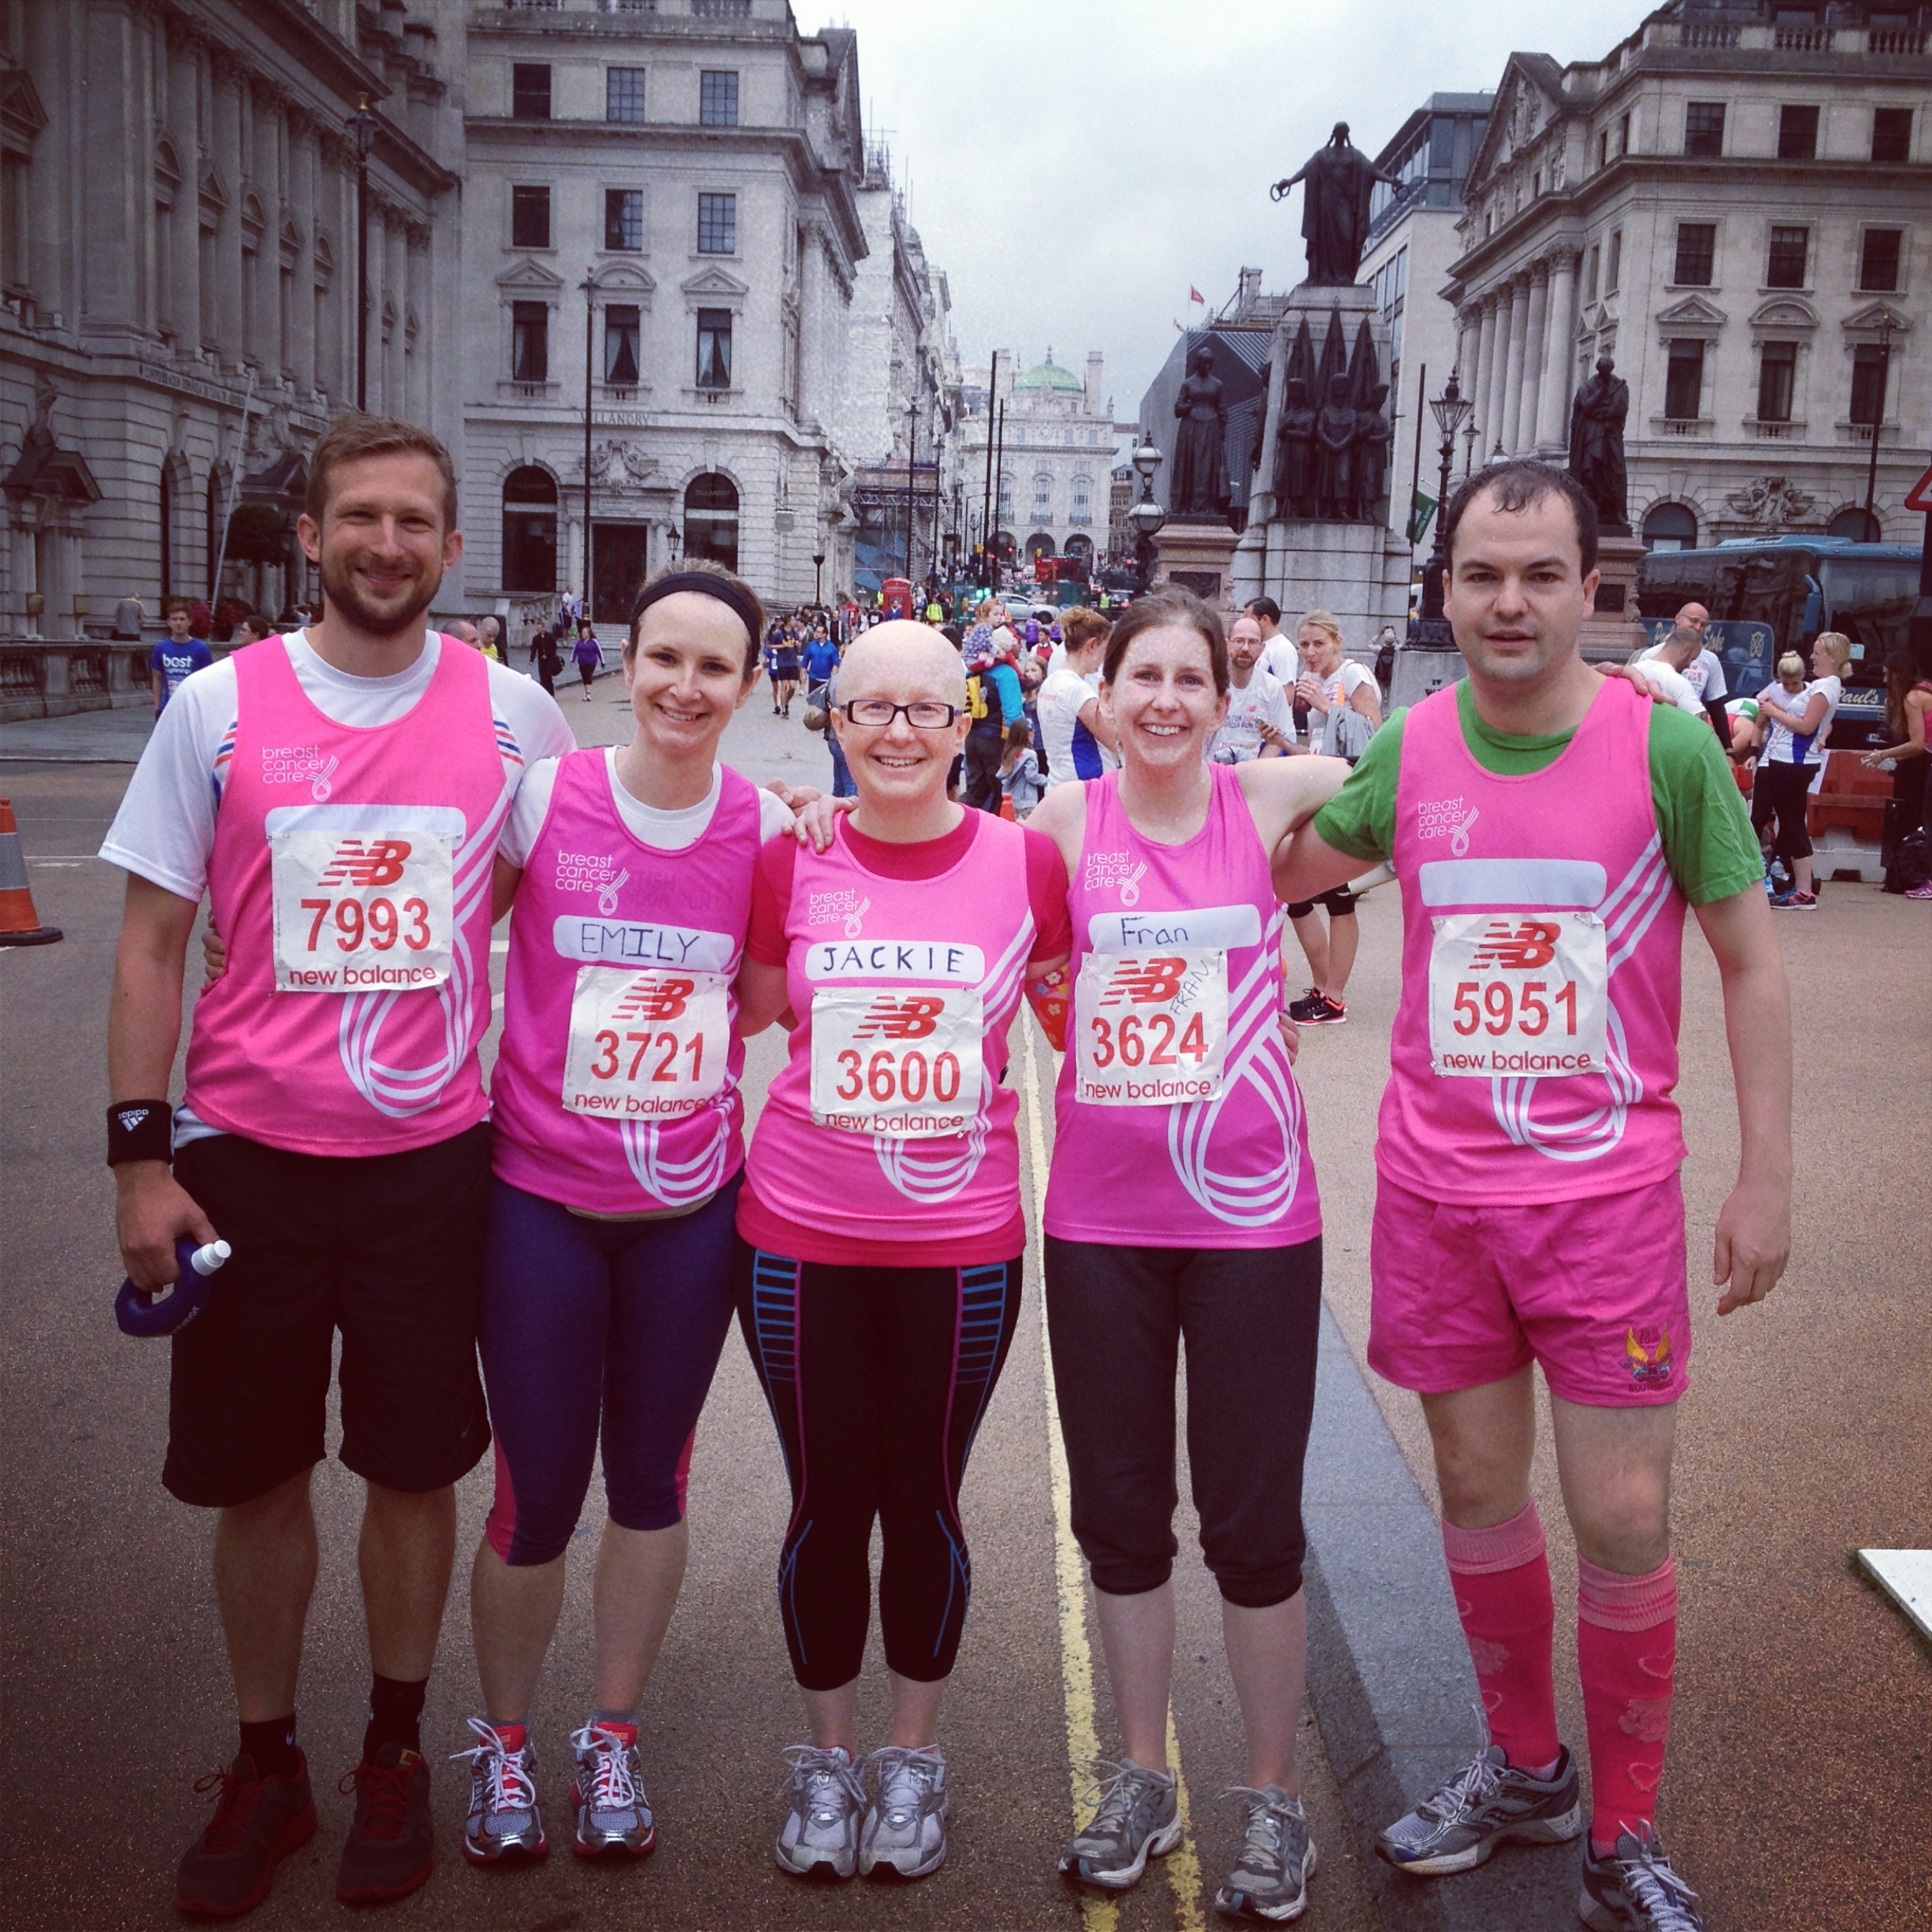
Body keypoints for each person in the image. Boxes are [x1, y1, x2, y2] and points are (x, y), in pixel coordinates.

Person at [1274, 459, 1789, 1932]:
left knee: (1620, 1511)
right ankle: (1524, 1768)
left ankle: (1623, 1836)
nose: (1511, 602)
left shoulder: (1664, 747)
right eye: (1483, 575)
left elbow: (1750, 962)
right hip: (1439, 1196)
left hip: (1604, 1201)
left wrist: (1765, 1173)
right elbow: (1280, 870)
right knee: (1476, 1490)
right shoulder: (1414, 745)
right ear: (1444, 591)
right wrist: (1245, 781)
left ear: (1589, 590)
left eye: (1540, 575)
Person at [101, 413, 575, 1917]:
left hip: (431, 1159)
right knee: (255, 1475)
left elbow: (535, 887)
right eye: (358, 516)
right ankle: (267, 1760)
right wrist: (139, 1164)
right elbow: (153, 940)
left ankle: (392, 1749)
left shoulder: (515, 715)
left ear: (450, 545)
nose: (385, 543)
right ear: (310, 535)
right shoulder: (218, 706)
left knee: (412, 1466)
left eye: (412, 521)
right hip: (245, 1156)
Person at [456, 561, 837, 1869]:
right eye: (663, 657)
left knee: (650, 1484)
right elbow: (448, 940)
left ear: (748, 683)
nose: (684, 685)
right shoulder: (544, 795)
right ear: (625, 664)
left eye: (713, 666)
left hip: (687, 1210)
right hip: (539, 1203)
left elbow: (762, 1005)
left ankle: (609, 1736)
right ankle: (506, 1743)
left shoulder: (766, 831)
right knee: (533, 1492)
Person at [730, 621, 1073, 1882]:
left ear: (965, 721)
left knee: (923, 1499)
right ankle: (827, 1761)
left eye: (925, 709)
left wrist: (1250, 1014)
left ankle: (911, 1760)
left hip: (960, 1248)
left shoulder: (1026, 863)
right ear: (834, 722)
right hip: (797, 1239)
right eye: (869, 708)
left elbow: (1082, 1007)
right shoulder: (791, 858)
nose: (897, 732)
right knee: (827, 1502)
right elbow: (747, 1007)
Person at [1027, 590, 1348, 1924]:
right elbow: (944, 877)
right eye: (1139, 677)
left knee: (1254, 1523)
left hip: (1252, 1225)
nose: (1162, 700)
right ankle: (1143, 1776)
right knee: (1118, 1517)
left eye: (1189, 680)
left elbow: (1390, 766)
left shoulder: (1262, 800)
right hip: (1102, 1222)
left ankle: (1272, 1797)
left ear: (1226, 699)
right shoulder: (1061, 820)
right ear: (1099, 698)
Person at [1282, 613, 1383, 1025]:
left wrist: (1326, 706)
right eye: (1304, 644)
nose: (1309, 652)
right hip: (1321, 790)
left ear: (1337, 642)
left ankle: (1333, 997)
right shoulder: (1317, 678)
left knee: (1338, 896)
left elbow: (1375, 731)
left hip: (1349, 792)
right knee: (1296, 892)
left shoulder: (1353, 673)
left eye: (1318, 643)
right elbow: (1322, 743)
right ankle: (1324, 987)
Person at [1752, 632, 1848, 910]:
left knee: (1793, 823)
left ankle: (1804, 891)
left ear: (1833, 657)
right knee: (1790, 822)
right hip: (1787, 760)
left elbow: (1807, 726)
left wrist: (1773, 711)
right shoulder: (1821, 685)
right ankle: (1800, 887)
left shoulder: (1825, 687)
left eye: (1818, 653)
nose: (1812, 657)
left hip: (1796, 761)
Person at [1862, 649, 1932, 862]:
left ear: (1898, 675)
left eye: (1887, 675)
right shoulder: (1926, 688)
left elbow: (1917, 744)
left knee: (1929, 820)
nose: (1884, 680)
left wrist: (1883, 754)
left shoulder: (1912, 699)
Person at [1035, 606, 1114, 782]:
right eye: (1104, 651)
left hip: (1059, 780)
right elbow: (1114, 741)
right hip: (1087, 785)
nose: (1104, 658)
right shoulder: (1079, 691)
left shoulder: (1049, 683)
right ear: (1091, 645)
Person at [1210, 612, 1295, 764]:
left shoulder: (1271, 686)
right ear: (1227, 645)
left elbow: (1284, 736)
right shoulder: (1210, 681)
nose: (1245, 648)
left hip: (1249, 770)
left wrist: (1256, 769)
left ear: (1262, 648)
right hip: (1211, 768)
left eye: (1253, 642)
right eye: (1239, 641)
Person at [963, 603, 1024, 813]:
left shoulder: (973, 671)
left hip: (972, 738)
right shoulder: (1006, 674)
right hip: (995, 741)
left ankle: (962, 822)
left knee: (975, 791)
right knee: (1000, 792)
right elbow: (1014, 716)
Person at [1640, 602, 1728, 738]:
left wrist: (1727, 747)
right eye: (1694, 621)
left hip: (1685, 731)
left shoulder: (1711, 660)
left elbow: (1716, 707)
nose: (1698, 627)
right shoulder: (1649, 656)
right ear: (1678, 618)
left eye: (1703, 625)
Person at [1627, 627, 1709, 718]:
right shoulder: (1679, 684)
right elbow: (1699, 721)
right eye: (1691, 659)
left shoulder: (1633, 670)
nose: (1689, 666)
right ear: (1684, 651)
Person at [151, 599, 215, 713]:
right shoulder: (160, 648)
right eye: (174, 619)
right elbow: (157, 679)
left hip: (192, 708)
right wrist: (157, 707)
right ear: (169, 622)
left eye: (182, 619)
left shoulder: (201, 649)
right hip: (167, 708)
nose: (178, 623)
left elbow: (208, 681)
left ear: (190, 621)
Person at [1245, 597, 1300, 688]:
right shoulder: (1262, 645)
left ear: (1264, 619)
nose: (1245, 625)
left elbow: (1287, 691)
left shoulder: (1283, 649)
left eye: (1248, 620)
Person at [999, 718, 1044, 818]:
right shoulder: (1030, 754)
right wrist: (1044, 780)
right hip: (1027, 799)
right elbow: (1031, 776)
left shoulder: (1008, 752)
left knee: (1011, 824)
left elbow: (1002, 773)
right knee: (1028, 824)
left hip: (1010, 799)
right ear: (1029, 735)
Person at [572, 622, 602, 701]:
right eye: (582, 632)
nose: (583, 634)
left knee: (588, 675)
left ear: (589, 634)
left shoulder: (594, 642)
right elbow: (575, 651)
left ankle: (588, 693)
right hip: (582, 662)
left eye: (585, 632)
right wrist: (573, 660)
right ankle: (587, 693)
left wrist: (602, 662)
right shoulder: (579, 642)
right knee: (584, 677)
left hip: (591, 662)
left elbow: (599, 652)